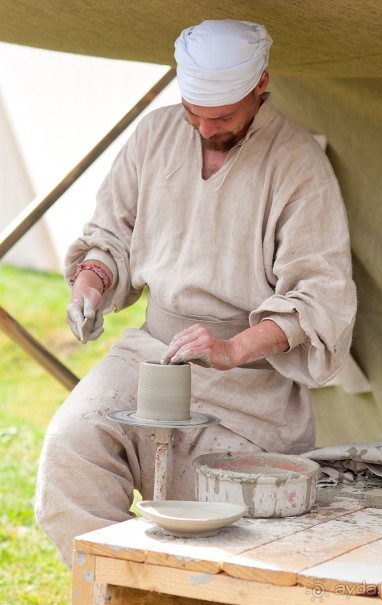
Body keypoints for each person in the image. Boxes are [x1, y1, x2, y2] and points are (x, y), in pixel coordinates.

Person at [35, 19, 357, 567]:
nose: (206, 130)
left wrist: (231, 350)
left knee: (229, 532)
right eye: (193, 113)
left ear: (261, 86)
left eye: (223, 116)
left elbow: (319, 298)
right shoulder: (154, 135)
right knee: (72, 451)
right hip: (152, 354)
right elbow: (111, 234)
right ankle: (119, 590)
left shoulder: (299, 163)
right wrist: (93, 280)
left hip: (251, 389)